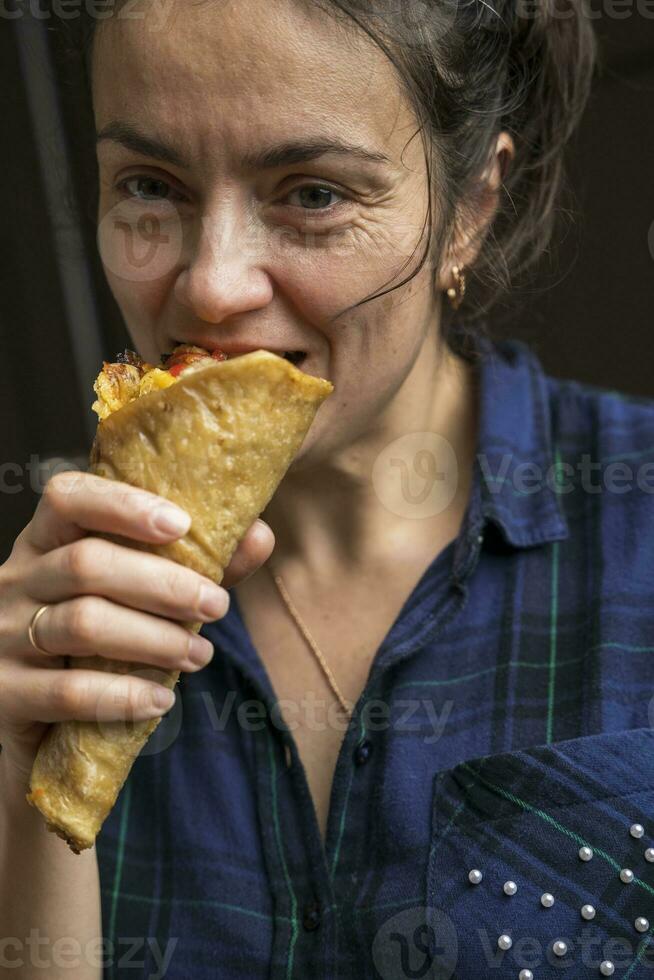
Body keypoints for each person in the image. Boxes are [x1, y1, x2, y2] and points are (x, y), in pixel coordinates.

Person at [2, 0, 653, 977]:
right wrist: (19, 790)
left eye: (311, 194)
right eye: (148, 183)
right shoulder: (45, 615)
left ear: (471, 208)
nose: (214, 286)